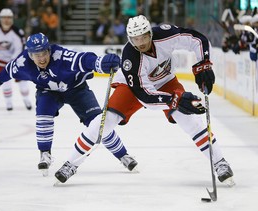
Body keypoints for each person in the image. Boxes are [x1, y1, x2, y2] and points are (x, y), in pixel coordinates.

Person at [54, 15, 235, 187]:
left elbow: (197, 39)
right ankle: (71, 163)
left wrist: (203, 64)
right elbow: (145, 96)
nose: (139, 43)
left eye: (143, 37)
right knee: (103, 122)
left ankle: (219, 162)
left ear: (150, 33)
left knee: (189, 119)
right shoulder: (130, 57)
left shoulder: (165, 34)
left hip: (165, 81)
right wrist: (175, 99)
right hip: (132, 87)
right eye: (135, 39)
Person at [0, 32, 138, 177]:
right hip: (48, 92)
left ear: (49, 50)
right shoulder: (23, 62)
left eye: (44, 53)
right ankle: (45, 153)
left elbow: (83, 60)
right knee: (43, 115)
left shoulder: (62, 56)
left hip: (77, 90)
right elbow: (8, 71)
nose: (41, 58)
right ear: (30, 55)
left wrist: (99, 62)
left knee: (98, 125)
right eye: (37, 55)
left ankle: (123, 155)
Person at [0, 8, 32, 111]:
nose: (6, 20)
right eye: (4, 18)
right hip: (0, 61)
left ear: (12, 19)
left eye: (9, 17)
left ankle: (26, 100)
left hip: (16, 62)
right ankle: (9, 103)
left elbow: (20, 48)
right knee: (4, 82)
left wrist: (13, 61)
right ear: (0, 19)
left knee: (23, 82)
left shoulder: (17, 32)